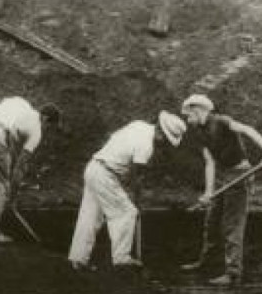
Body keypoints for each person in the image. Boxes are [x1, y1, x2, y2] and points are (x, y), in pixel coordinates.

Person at [68, 112, 186, 271]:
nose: (164, 143)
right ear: (160, 130)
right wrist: (137, 201)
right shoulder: (147, 145)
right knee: (127, 212)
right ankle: (121, 259)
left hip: (93, 167)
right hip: (105, 175)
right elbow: (137, 177)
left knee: (90, 215)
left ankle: (78, 259)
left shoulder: (139, 125)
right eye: (165, 139)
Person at [179, 94, 262, 285]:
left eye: (189, 114)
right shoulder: (199, 131)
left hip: (240, 175)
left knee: (232, 225)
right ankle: (207, 262)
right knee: (212, 222)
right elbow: (209, 162)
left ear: (198, 110)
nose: (187, 119)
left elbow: (248, 130)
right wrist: (208, 192)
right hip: (223, 176)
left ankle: (233, 273)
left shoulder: (222, 121)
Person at [0, 97, 61, 243]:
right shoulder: (36, 132)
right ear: (45, 119)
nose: (47, 131)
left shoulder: (20, 102)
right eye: (49, 127)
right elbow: (20, 166)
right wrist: (12, 192)